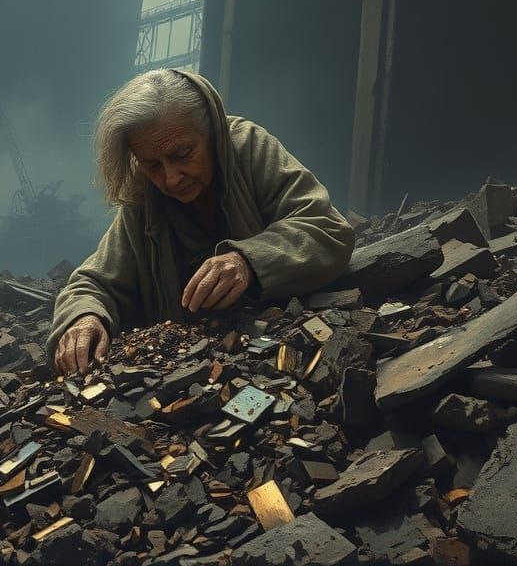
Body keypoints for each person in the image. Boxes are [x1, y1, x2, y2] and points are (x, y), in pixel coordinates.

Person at [48, 69, 355, 376]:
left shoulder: (248, 147)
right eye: (153, 165)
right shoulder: (144, 195)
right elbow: (94, 282)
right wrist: (84, 318)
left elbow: (326, 228)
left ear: (213, 134)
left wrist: (246, 261)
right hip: (181, 376)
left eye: (182, 154)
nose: (170, 178)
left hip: (279, 361)